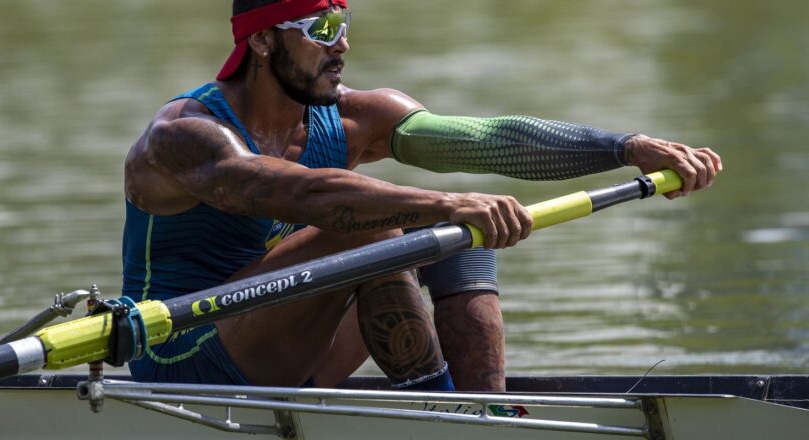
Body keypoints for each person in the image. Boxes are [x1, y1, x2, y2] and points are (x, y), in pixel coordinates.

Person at [122, 0, 721, 392]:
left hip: (293, 348)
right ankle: (433, 408)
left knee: (459, 229)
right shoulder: (182, 135)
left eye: (346, 25)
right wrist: (439, 204)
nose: (343, 47)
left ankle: (483, 415)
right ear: (261, 43)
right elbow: (285, 192)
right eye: (322, 31)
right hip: (184, 359)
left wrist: (627, 147)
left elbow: (489, 141)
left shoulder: (359, 117)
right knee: (383, 217)